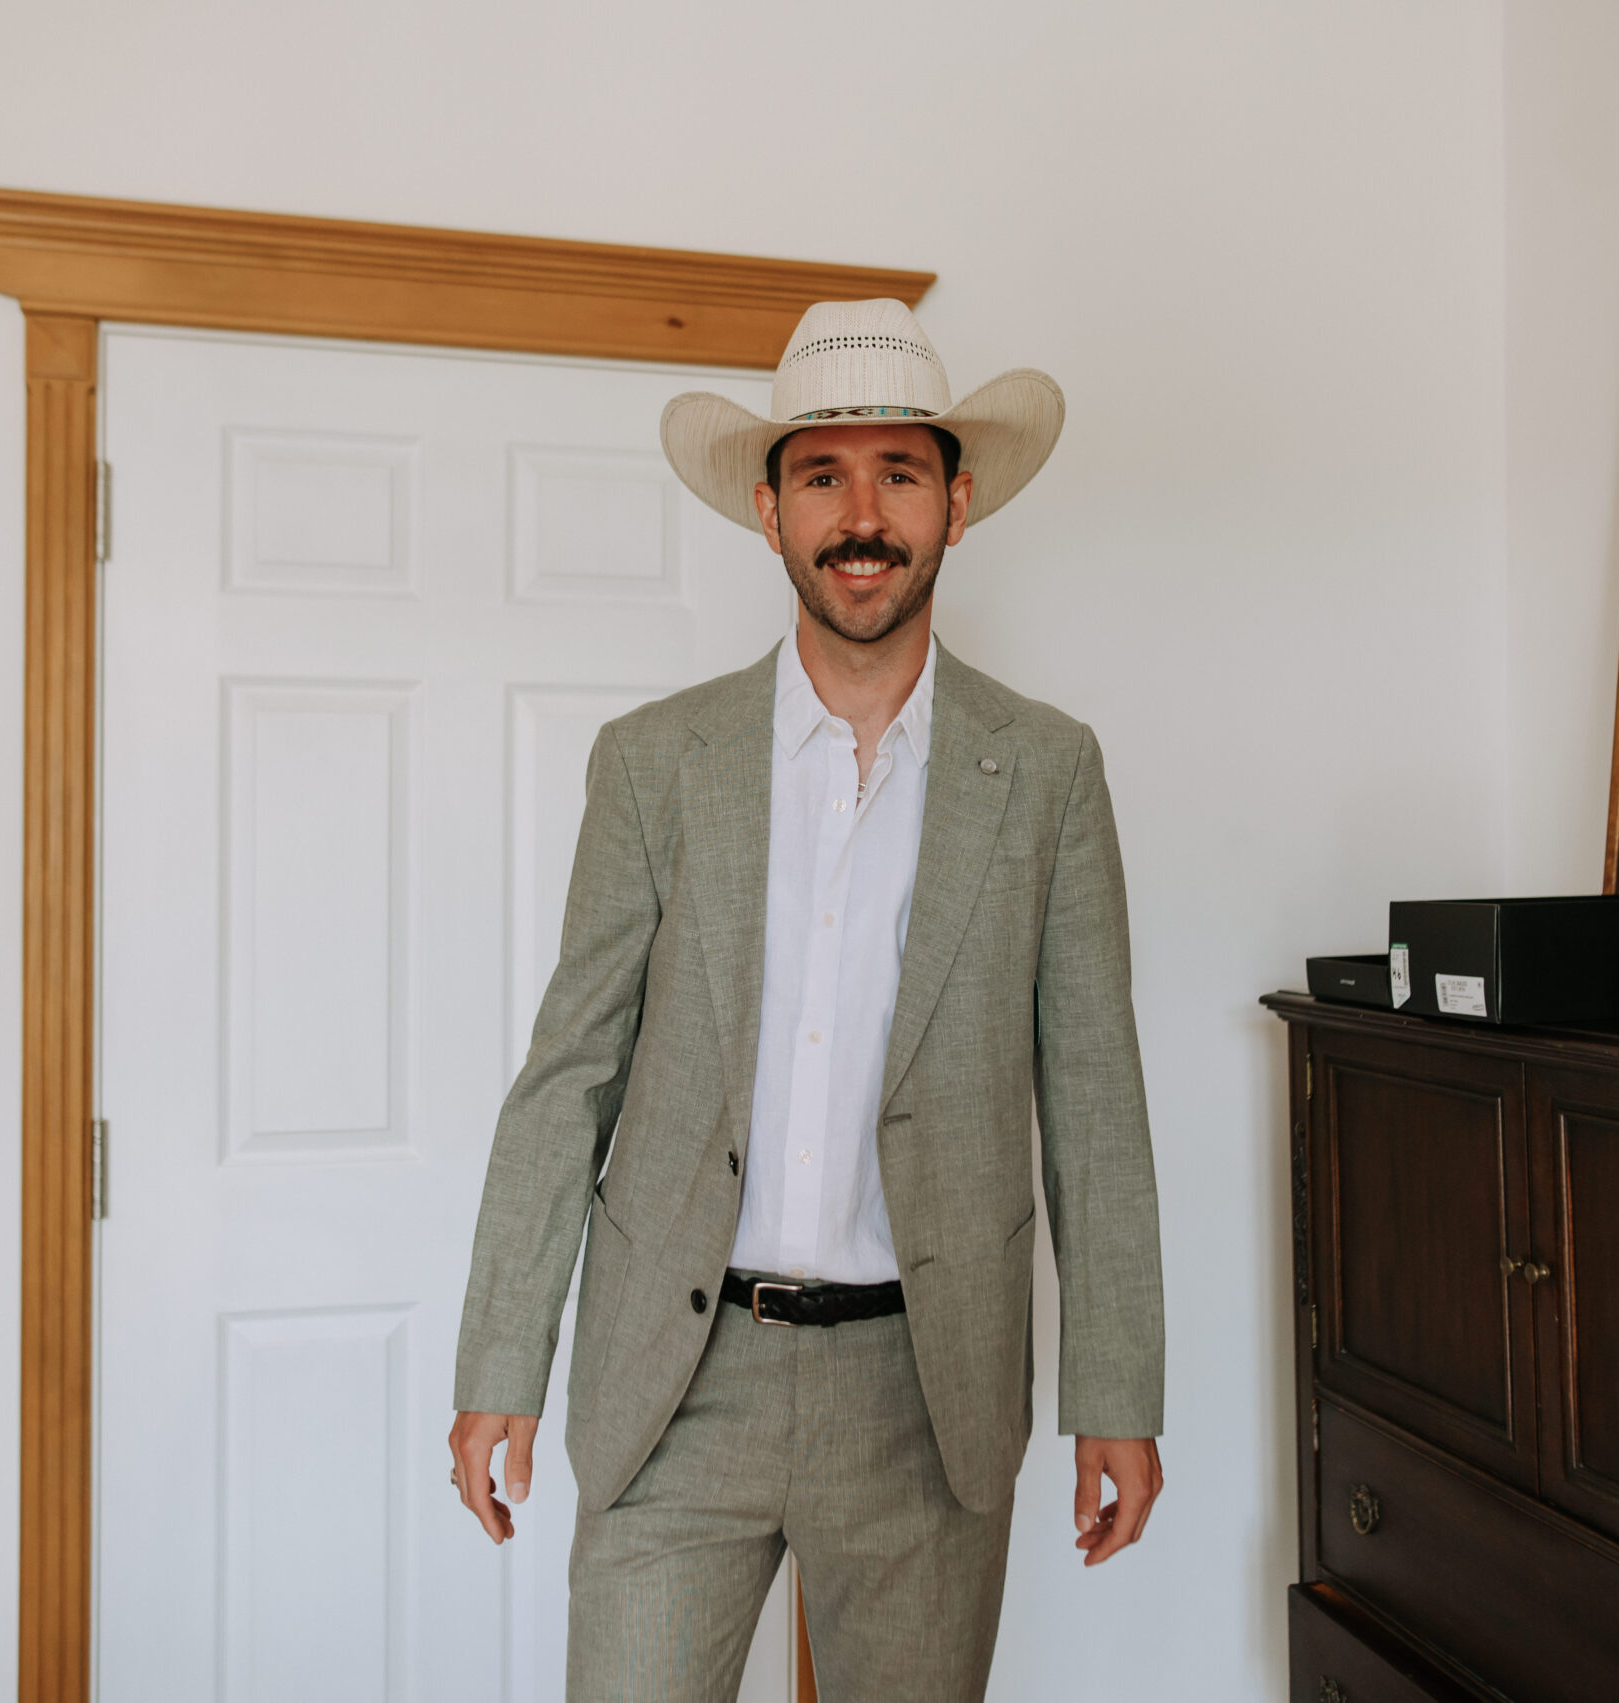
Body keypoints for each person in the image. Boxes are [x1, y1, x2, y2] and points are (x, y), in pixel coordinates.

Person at [449, 298, 1165, 1702]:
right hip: (676, 1381)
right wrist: (500, 1361)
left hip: (926, 1395)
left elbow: (1096, 1101)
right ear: (771, 511)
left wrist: (1116, 1395)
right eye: (824, 476)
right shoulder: (655, 764)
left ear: (958, 504)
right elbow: (568, 1076)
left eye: (901, 473)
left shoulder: (1048, 772)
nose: (863, 516)